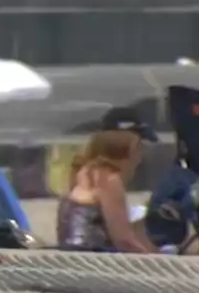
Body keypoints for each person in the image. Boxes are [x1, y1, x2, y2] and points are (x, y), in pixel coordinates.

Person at [56, 107, 159, 253]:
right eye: (138, 148)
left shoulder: (83, 172)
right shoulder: (109, 181)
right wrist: (156, 262)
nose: (140, 158)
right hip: (96, 258)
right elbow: (123, 240)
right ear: (124, 148)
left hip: (73, 254)